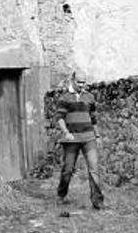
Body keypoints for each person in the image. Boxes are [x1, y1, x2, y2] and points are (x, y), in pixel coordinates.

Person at [55, 71, 104, 209]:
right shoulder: (65, 98)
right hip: (71, 139)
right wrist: (66, 132)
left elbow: (93, 119)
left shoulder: (90, 97)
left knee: (94, 169)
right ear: (73, 80)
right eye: (79, 82)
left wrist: (98, 136)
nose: (82, 85)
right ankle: (61, 195)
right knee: (68, 169)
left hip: (89, 138)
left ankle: (97, 202)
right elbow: (59, 118)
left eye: (84, 82)